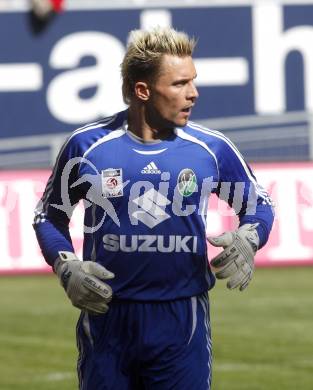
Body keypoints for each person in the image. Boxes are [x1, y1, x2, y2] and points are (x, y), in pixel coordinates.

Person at [33, 27, 274, 390]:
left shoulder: (210, 149)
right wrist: (65, 265)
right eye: (179, 84)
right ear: (142, 90)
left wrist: (251, 235)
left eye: (193, 81)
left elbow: (260, 205)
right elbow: (49, 216)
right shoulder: (88, 146)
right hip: (107, 318)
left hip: (182, 323)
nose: (193, 93)